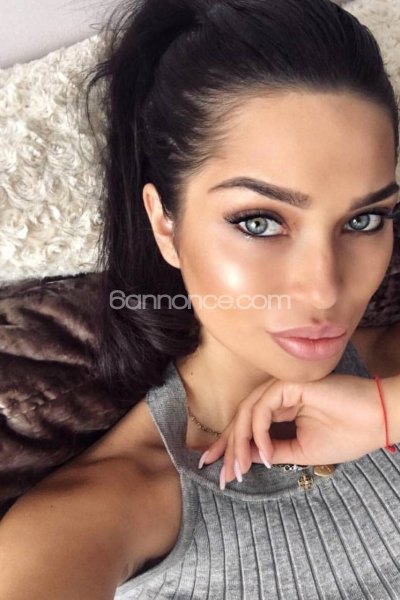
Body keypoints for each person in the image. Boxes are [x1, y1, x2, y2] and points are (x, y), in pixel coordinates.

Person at [1, 0, 400, 598]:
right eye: (259, 222)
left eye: (365, 220)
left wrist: (388, 412)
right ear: (165, 224)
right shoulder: (97, 518)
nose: (325, 288)